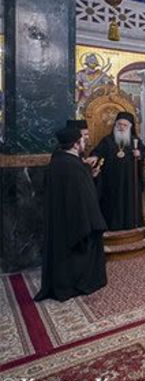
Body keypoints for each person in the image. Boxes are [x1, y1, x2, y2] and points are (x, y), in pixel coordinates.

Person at [35, 127, 107, 302]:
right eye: (82, 140)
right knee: (79, 254)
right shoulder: (74, 167)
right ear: (76, 144)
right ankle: (79, 283)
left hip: (60, 220)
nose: (84, 142)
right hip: (78, 223)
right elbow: (84, 198)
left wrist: (90, 174)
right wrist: (95, 223)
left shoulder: (57, 161)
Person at [90, 112, 145, 231]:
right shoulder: (107, 140)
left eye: (124, 125)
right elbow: (97, 152)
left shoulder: (135, 141)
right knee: (112, 202)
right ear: (115, 125)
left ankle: (131, 225)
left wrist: (139, 155)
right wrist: (95, 157)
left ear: (130, 127)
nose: (121, 127)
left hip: (130, 180)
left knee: (129, 202)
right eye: (119, 124)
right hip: (111, 179)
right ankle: (112, 226)